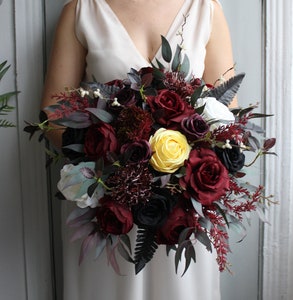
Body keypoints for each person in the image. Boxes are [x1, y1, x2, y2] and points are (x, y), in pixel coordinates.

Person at [41, 0, 236, 299]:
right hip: (108, 207)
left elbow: (227, 117)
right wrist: (114, 155)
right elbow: (52, 115)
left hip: (181, 211)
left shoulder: (205, 9)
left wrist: (181, 170)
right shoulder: (81, 10)